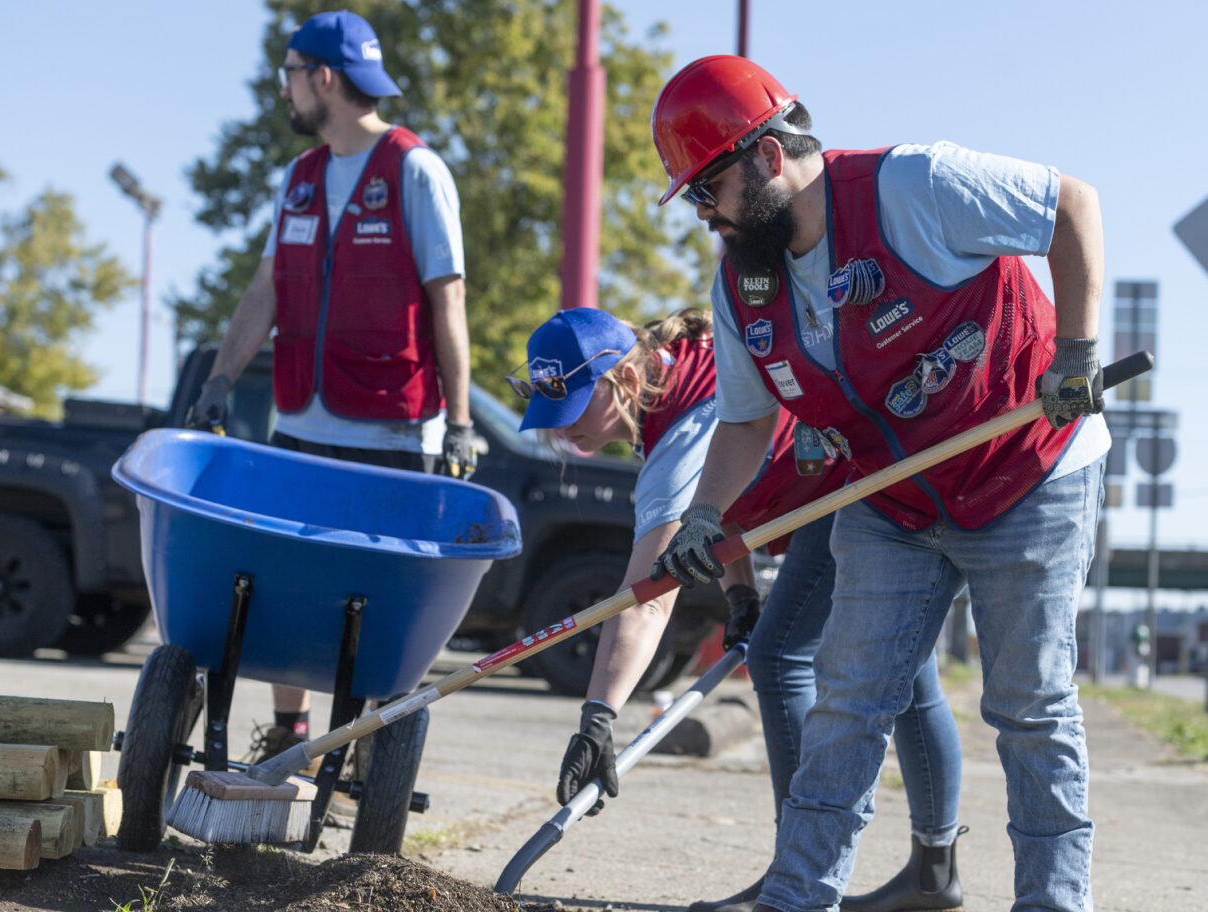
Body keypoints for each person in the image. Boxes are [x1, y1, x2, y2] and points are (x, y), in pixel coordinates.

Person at [649, 55, 1108, 912]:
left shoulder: (915, 187)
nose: (705, 217)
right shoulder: (743, 283)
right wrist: (703, 514)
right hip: (894, 497)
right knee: (847, 702)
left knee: (1029, 709)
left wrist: (1075, 356)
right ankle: (797, 896)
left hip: (1027, 470)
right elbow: (746, 423)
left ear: (764, 154)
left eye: (707, 191)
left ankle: (1052, 902)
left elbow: (1069, 206)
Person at [511, 306, 964, 912]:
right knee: (909, 674)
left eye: (572, 409)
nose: (563, 432)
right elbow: (719, 511)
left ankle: (797, 876)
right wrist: (740, 593)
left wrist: (598, 716)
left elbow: (647, 598)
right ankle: (933, 876)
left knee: (779, 660)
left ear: (621, 379)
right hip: (862, 472)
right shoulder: (680, 377)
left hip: (856, 488)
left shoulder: (677, 441)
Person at [189, 10, 477, 761]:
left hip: (389, 427)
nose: (281, 89)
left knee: (375, 601)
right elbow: (265, 290)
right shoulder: (300, 178)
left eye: (288, 73)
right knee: (282, 582)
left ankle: (366, 748)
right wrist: (219, 377)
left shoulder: (415, 170)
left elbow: (449, 301)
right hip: (301, 422)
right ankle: (289, 730)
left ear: (323, 77)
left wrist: (463, 421)